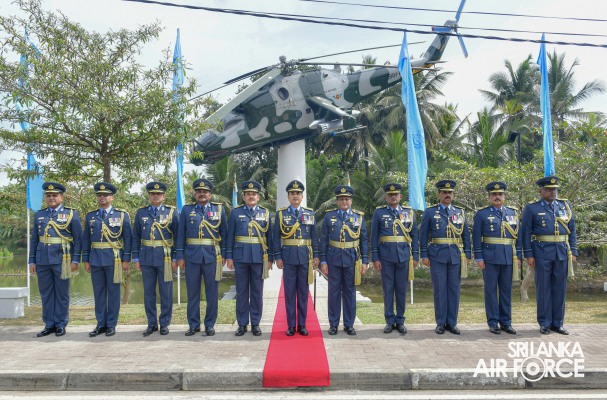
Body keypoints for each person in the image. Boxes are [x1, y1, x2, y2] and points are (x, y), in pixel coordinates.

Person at [521, 176, 577, 335]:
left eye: (554, 189)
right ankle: (545, 322)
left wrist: (573, 250)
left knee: (560, 288)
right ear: (541, 191)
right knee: (544, 288)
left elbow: (572, 230)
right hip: (541, 252)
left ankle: (558, 323)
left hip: (562, 251)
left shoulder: (565, 205)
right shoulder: (532, 208)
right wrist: (528, 254)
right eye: (548, 189)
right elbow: (526, 233)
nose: (552, 192)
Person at [29, 182, 82, 337]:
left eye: (54, 195)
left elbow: (78, 239)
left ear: (61, 197)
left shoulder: (71, 213)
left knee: (62, 293)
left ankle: (60, 324)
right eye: (48, 195)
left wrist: (75, 260)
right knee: (46, 293)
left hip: (62, 259)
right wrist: (32, 261)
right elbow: (34, 239)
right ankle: (49, 324)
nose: (51, 198)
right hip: (42, 260)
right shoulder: (40, 215)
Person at [176, 178, 227, 337]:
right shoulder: (187, 210)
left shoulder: (219, 209)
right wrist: (180, 256)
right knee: (192, 293)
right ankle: (193, 324)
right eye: (199, 191)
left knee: (212, 293)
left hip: (212, 256)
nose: (202, 194)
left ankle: (210, 324)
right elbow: (180, 235)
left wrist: (224, 254)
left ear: (210, 195)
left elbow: (224, 234)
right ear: (195, 194)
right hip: (191, 257)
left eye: (205, 192)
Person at [419, 180, 471, 335]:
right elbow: (423, 236)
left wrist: (468, 253)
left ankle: (452, 323)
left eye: (450, 193)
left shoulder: (459, 212)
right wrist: (424, 254)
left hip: (455, 255)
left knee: (454, 289)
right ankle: (441, 322)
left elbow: (465, 235)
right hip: (437, 255)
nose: (447, 195)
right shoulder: (430, 212)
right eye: (444, 192)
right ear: (439, 194)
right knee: (440, 289)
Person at [81, 182, 132, 337]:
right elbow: (86, 239)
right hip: (95, 259)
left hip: (114, 259)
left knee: (114, 293)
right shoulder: (91, 216)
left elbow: (128, 239)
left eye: (105, 195)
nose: (102, 197)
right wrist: (86, 259)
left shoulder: (121, 215)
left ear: (112, 197)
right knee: (99, 293)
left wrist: (126, 259)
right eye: (99, 195)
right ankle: (100, 324)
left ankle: (111, 324)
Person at [472, 181, 520, 335]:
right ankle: (493, 322)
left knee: (506, 290)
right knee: (491, 291)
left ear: (504, 196)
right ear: (489, 197)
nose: (497, 196)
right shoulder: (482, 214)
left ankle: (506, 322)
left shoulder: (512, 213)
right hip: (490, 257)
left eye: (500, 194)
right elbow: (476, 238)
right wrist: (478, 257)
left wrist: (519, 256)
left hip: (508, 257)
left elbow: (518, 237)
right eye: (494, 194)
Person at [225, 180, 273, 337]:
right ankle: (242, 323)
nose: (251, 197)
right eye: (248, 194)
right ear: (243, 197)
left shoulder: (265, 213)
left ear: (258, 197)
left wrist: (270, 258)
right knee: (242, 291)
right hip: (240, 257)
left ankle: (256, 323)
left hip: (259, 257)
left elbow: (270, 238)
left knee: (257, 292)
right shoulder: (235, 213)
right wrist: (229, 257)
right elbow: (230, 236)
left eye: (254, 194)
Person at [320, 185, 369, 336]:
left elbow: (364, 240)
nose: (344, 202)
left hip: (351, 260)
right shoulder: (329, 216)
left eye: (347, 199)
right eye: (341, 199)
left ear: (351, 201)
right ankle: (333, 324)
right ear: (337, 201)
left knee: (350, 292)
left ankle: (349, 324)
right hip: (333, 259)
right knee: (333, 292)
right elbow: (323, 241)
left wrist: (365, 261)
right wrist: (323, 261)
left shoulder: (358, 217)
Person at [370, 183, 419, 335]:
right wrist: (375, 258)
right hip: (386, 257)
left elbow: (414, 235)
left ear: (400, 196)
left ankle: (400, 320)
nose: (393, 197)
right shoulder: (379, 213)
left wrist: (415, 255)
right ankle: (389, 321)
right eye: (390, 195)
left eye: (395, 194)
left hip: (403, 256)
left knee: (401, 290)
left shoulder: (408, 212)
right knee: (388, 290)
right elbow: (374, 237)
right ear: (385, 197)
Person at [132, 182, 179, 337]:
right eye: (153, 194)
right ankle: (151, 323)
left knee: (166, 292)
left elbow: (178, 237)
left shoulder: (171, 212)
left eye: (159, 194)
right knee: (148, 293)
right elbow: (136, 237)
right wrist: (136, 258)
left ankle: (164, 323)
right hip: (146, 257)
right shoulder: (141, 213)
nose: (156, 196)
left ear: (164, 196)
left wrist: (175, 257)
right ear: (149, 196)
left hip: (165, 257)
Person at [273, 180, 320, 337]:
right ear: (288, 196)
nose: (295, 196)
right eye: (292, 193)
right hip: (288, 258)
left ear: (302, 196)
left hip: (305, 258)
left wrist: (316, 256)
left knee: (303, 292)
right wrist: (278, 257)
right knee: (289, 293)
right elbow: (276, 238)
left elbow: (315, 237)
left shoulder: (309, 213)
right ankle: (291, 325)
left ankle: (302, 324)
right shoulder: (281, 214)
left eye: (298, 193)